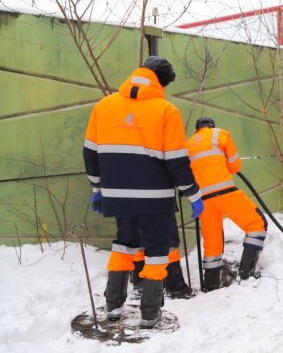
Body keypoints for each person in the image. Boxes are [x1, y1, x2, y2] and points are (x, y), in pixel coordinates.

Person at [83, 56, 203, 328]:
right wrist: (192, 194)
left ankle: (113, 306)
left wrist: (98, 188)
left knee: (124, 242)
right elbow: (176, 161)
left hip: (117, 196)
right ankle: (150, 313)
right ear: (161, 82)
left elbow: (90, 153)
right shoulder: (165, 110)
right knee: (157, 249)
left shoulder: (103, 106)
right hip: (155, 199)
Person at [187, 116, 267, 291]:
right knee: (257, 224)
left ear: (196, 130)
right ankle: (246, 274)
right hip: (225, 193)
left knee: (212, 242)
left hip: (202, 200)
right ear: (211, 126)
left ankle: (211, 285)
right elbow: (234, 166)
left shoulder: (189, 144)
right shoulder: (220, 134)